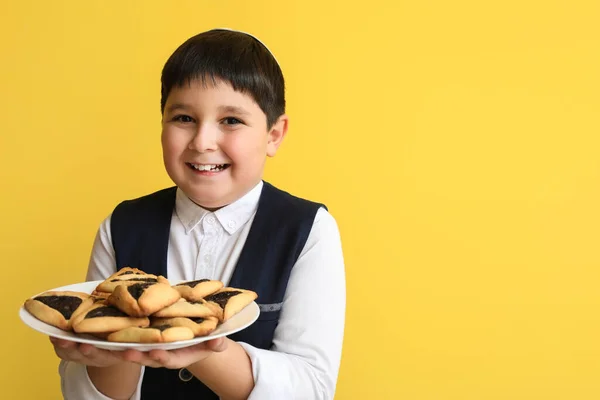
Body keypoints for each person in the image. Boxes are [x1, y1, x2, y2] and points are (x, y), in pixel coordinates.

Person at [50, 28, 346, 400]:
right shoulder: (122, 227)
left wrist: (199, 346)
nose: (203, 141)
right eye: (184, 118)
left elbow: (312, 389)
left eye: (231, 121)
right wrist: (113, 349)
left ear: (274, 134)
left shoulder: (307, 230)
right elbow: (82, 394)